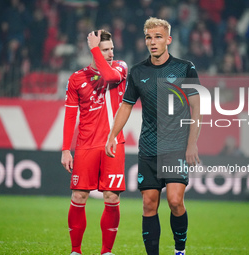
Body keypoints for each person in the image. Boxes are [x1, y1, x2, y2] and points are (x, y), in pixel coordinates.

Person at [106, 17, 202, 255]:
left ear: (168, 40)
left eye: (158, 37)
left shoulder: (185, 67)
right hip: (148, 147)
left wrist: (192, 144)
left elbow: (197, 107)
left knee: (175, 201)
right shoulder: (138, 72)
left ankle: (180, 250)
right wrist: (112, 136)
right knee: (149, 204)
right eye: (149, 37)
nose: (153, 42)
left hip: (176, 146)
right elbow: (126, 106)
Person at [61, 29, 128, 255]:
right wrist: (65, 150)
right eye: (105, 50)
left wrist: (94, 48)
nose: (110, 54)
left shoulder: (120, 68)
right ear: (94, 51)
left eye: (111, 49)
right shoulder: (76, 78)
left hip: (112, 144)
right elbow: (70, 115)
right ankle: (76, 251)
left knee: (111, 197)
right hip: (85, 146)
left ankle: (106, 251)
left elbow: (108, 76)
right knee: (79, 196)